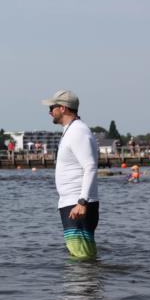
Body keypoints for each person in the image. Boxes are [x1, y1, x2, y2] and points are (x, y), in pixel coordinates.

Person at [43, 90, 99, 260]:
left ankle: (85, 279)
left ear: (63, 108)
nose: (49, 112)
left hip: (77, 204)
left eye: (52, 108)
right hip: (72, 203)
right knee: (80, 255)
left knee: (81, 257)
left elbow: (90, 166)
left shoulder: (77, 131)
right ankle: (86, 278)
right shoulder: (71, 130)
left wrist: (82, 201)